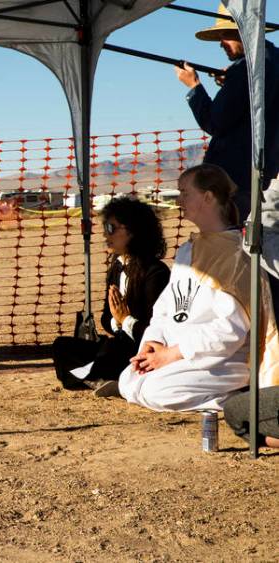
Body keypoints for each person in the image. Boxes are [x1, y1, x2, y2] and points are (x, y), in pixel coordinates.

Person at [118, 164, 279, 412]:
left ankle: (235, 403)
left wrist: (173, 354)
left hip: (223, 359)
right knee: (129, 381)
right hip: (178, 353)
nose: (179, 200)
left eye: (185, 192)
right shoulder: (187, 250)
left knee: (154, 390)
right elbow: (165, 309)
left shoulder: (238, 254)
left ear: (208, 197)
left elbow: (229, 330)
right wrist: (153, 342)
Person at [52, 197, 170, 395]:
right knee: (62, 347)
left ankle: (105, 378)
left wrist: (126, 320)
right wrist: (117, 321)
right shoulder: (116, 268)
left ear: (133, 231)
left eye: (111, 228)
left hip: (142, 349)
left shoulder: (155, 273)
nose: (106, 234)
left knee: (113, 348)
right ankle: (102, 378)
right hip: (118, 343)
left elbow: (158, 330)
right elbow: (107, 319)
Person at [176, 3, 279, 221]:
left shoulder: (244, 70)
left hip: (233, 180)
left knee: (230, 242)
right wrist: (230, 83)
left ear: (245, 31)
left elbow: (215, 122)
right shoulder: (272, 60)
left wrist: (194, 88)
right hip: (260, 174)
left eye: (226, 35)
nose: (221, 43)